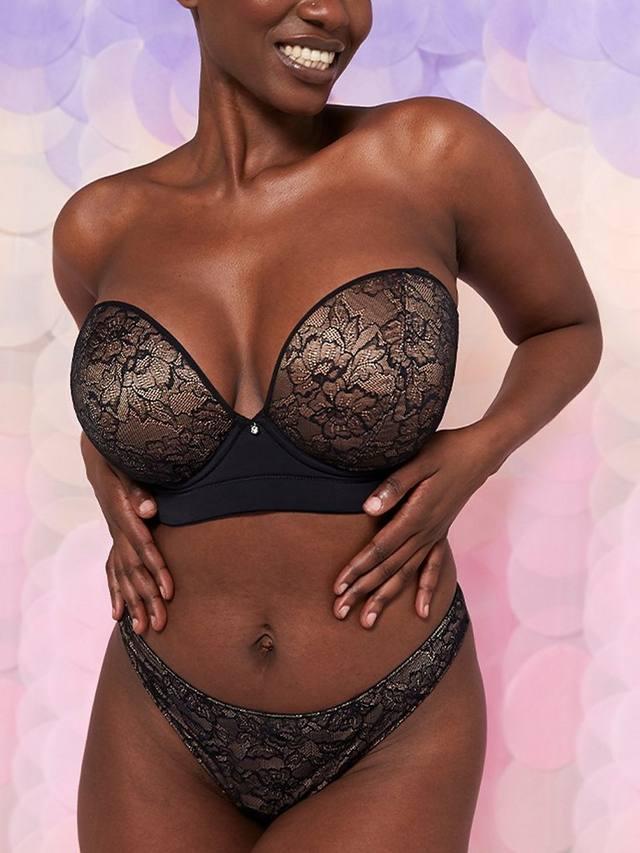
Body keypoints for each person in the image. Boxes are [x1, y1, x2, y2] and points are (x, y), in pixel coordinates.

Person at [52, 1, 602, 850]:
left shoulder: (432, 154)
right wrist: (101, 468)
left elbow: (565, 327)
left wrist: (479, 450)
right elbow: (119, 408)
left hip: (392, 726)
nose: (332, 11)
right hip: (156, 717)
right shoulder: (98, 226)